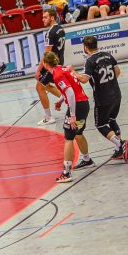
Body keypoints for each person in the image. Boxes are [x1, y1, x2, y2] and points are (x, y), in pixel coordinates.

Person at [76, 36, 128, 161]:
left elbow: (84, 79)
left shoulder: (90, 60)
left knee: (100, 124)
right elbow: (118, 71)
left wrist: (72, 72)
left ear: (85, 47)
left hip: (103, 98)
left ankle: (121, 144)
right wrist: (110, 84)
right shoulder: (108, 55)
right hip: (116, 93)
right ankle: (119, 151)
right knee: (112, 119)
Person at [43, 52, 93, 183]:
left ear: (45, 64)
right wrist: (60, 100)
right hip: (84, 104)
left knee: (68, 138)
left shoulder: (57, 75)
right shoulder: (62, 68)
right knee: (78, 133)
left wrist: (72, 116)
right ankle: (87, 159)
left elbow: (70, 94)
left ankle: (66, 173)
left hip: (77, 106)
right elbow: (71, 88)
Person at [35, 9, 65, 126]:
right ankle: (66, 98)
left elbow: (47, 54)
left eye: (45, 17)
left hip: (50, 64)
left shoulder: (50, 32)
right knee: (46, 85)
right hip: (58, 61)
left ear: (52, 18)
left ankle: (48, 117)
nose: (43, 19)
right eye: (43, 17)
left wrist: (38, 70)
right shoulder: (61, 29)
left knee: (39, 87)